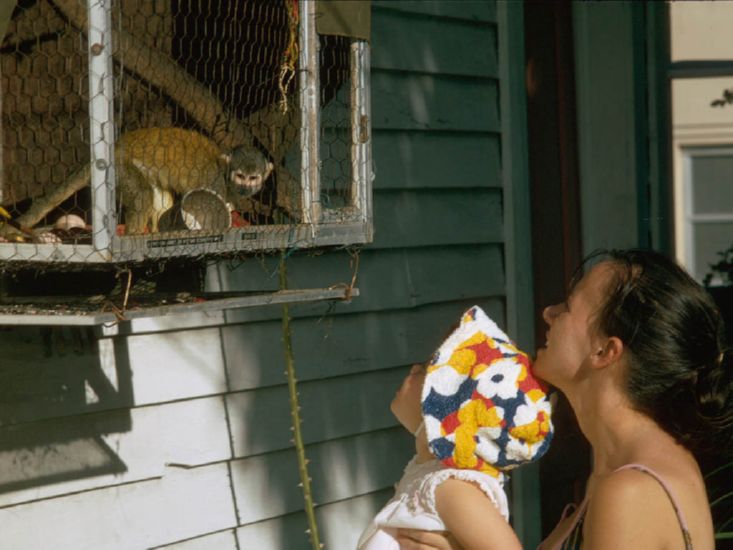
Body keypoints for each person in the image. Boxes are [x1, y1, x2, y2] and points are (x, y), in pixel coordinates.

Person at [397, 249, 733, 550]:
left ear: (605, 351)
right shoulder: (626, 469)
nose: (549, 312)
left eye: (568, 307)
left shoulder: (631, 490)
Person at [357, 305, 554, 550]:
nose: (414, 369)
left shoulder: (454, 487)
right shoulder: (432, 476)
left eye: (429, 368)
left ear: (454, 410)